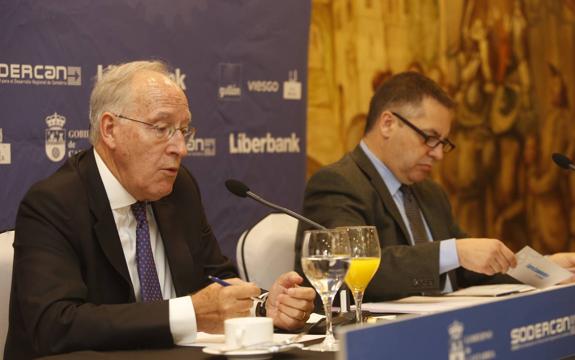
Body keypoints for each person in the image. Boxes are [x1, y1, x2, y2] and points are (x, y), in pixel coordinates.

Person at [5, 60, 315, 359]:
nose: (181, 148)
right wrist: (190, 313)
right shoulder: (53, 204)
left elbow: (216, 278)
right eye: (162, 127)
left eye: (183, 130)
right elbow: (56, 325)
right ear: (110, 129)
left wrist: (263, 305)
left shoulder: (178, 189)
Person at [295, 71, 575, 301]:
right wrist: (453, 251)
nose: (439, 154)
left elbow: (468, 269)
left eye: (443, 143)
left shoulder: (430, 192)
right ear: (388, 124)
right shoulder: (338, 183)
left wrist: (543, 268)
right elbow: (345, 271)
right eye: (430, 138)